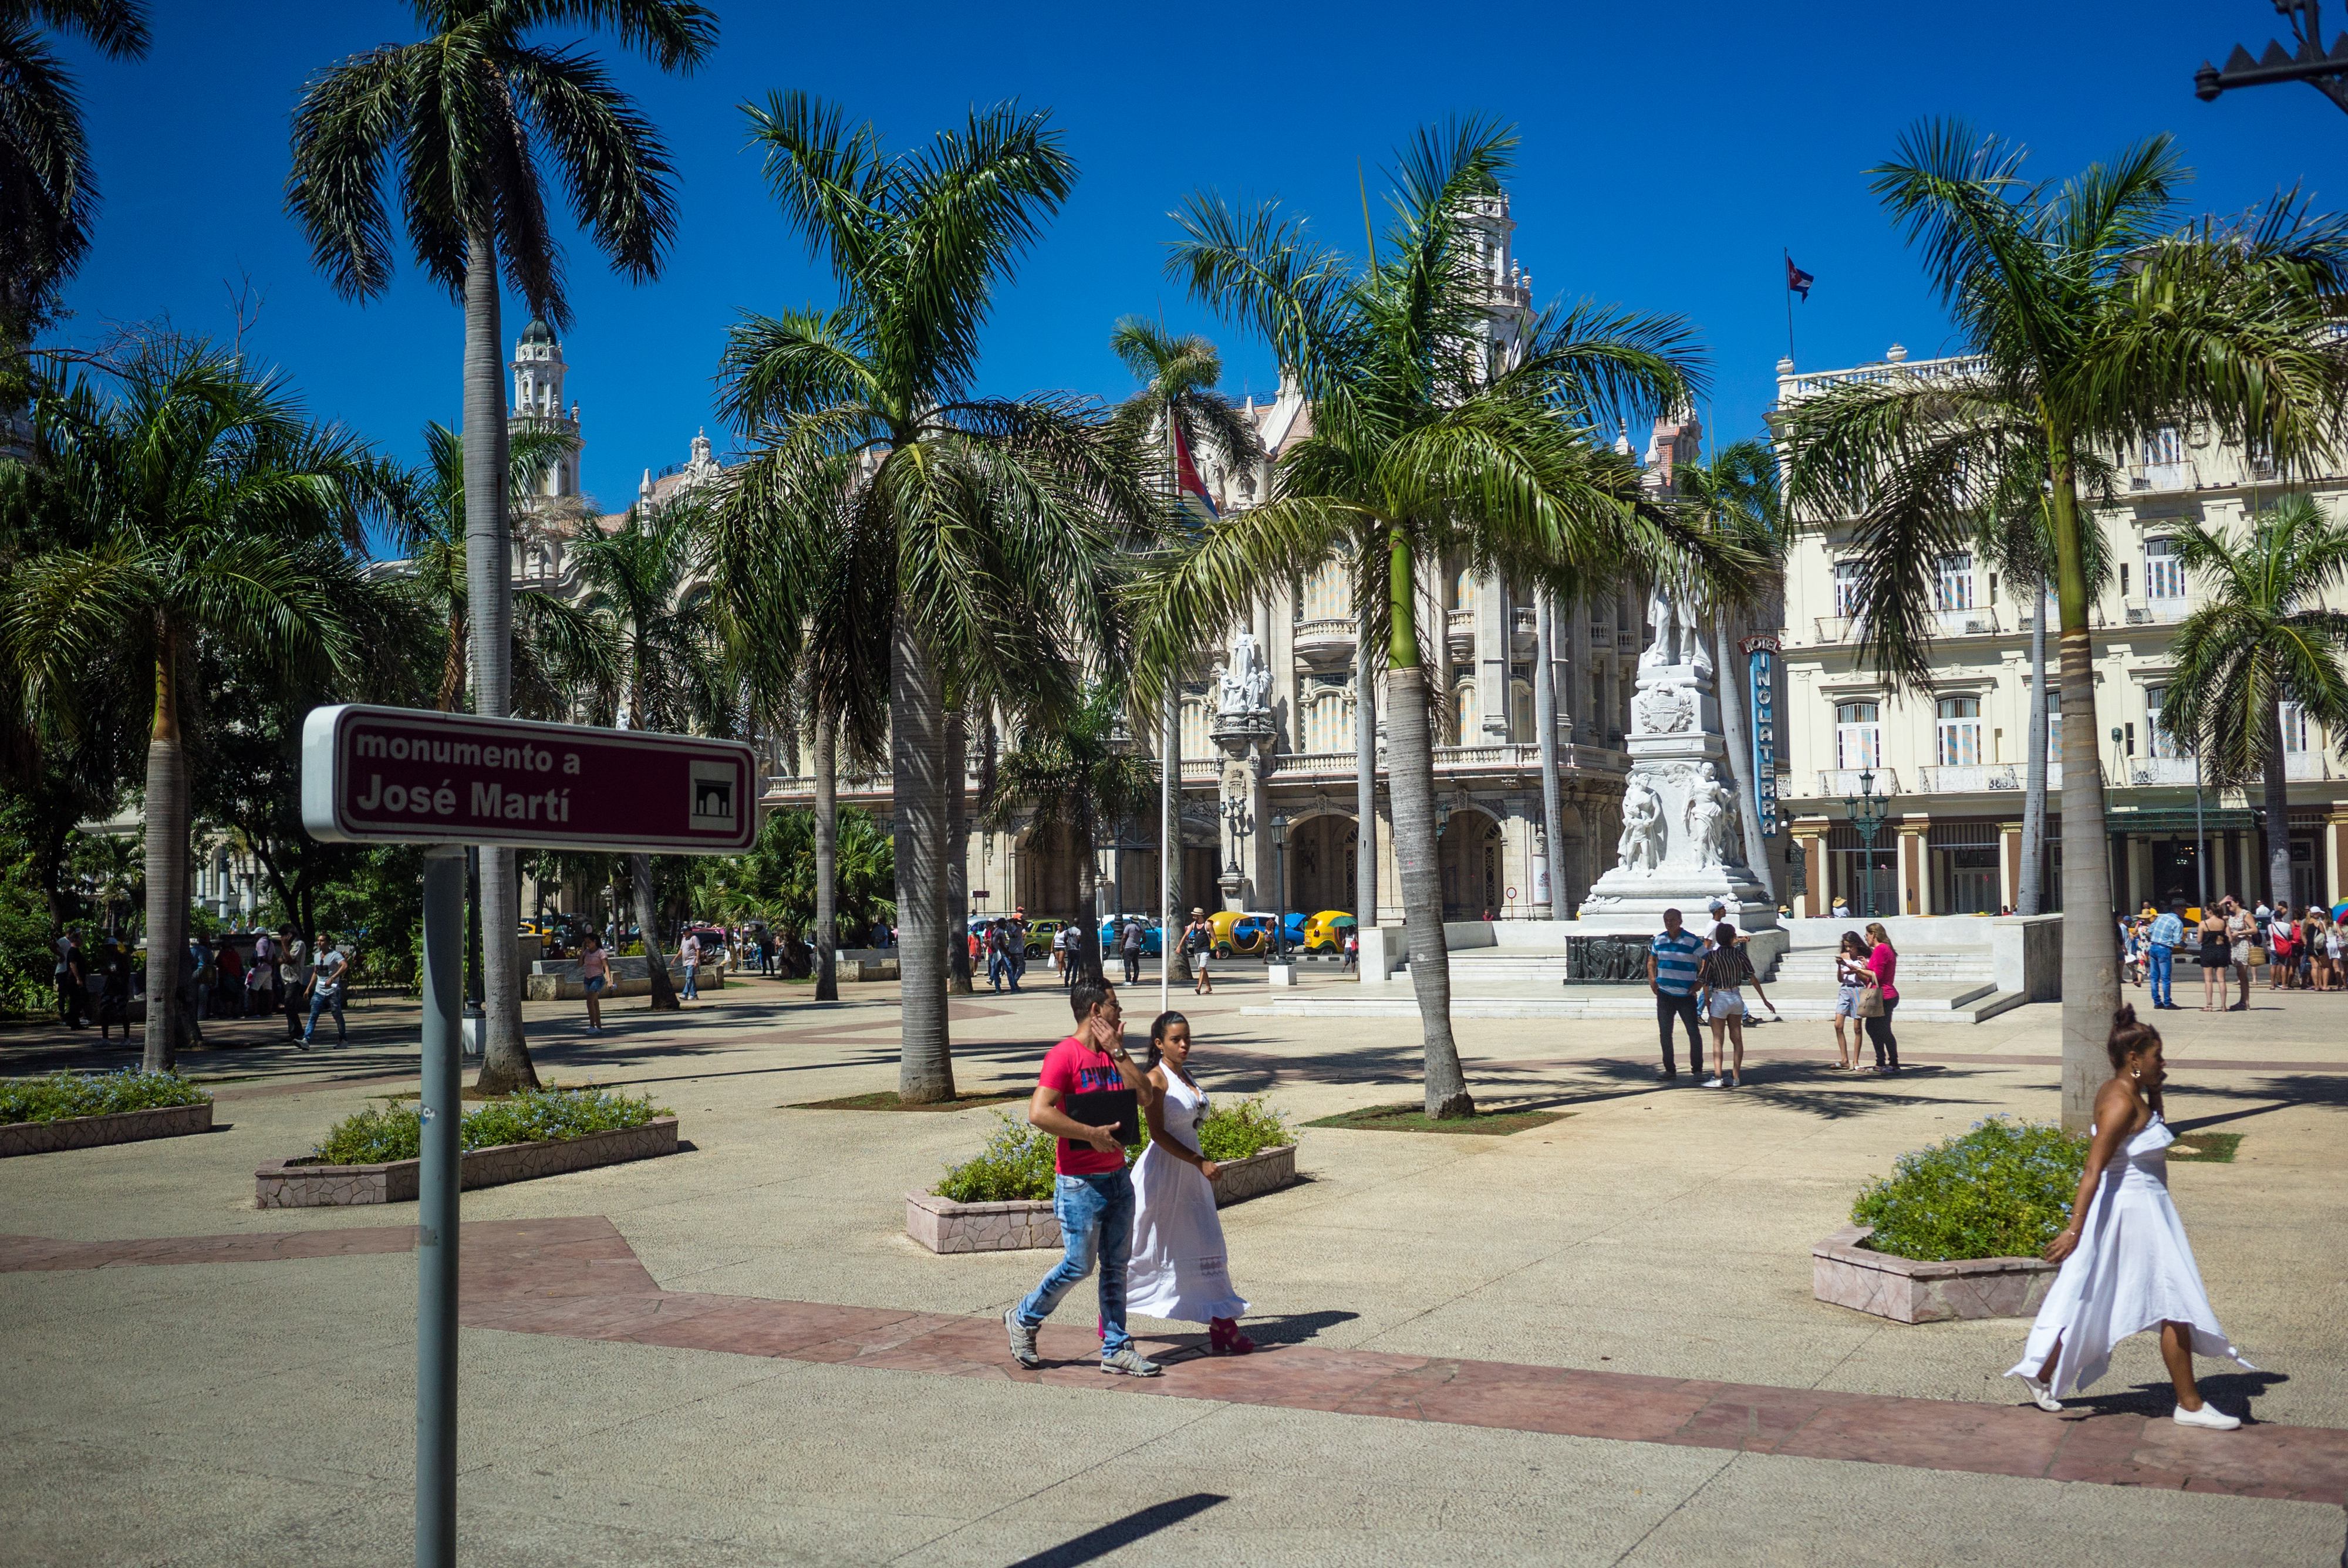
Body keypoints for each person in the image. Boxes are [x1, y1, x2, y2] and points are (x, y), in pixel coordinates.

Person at [2006, 1006, 2254, 1427]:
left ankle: (2042, 1372)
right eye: (2158, 1056)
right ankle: (2190, 1405)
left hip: (2147, 1211)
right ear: (2135, 1058)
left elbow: (2154, 1131)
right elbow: (2093, 1169)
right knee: (2172, 1299)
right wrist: (2074, 1230)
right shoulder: (2120, 1101)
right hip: (2133, 1214)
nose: (2164, 1062)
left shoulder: (2126, 1091)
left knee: (2097, 1295)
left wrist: (2155, 1092)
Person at [1004, 979, 1163, 1378]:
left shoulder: (1114, 1055)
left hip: (1118, 1178)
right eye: (1114, 1005)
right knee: (1078, 1266)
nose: (1120, 1012)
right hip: (1080, 1184)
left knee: (1116, 1268)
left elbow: (1146, 1097)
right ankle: (1023, 1318)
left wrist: (1119, 1052)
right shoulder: (1064, 1056)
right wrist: (1089, 1134)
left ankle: (1116, 1348)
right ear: (1096, 1011)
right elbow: (1039, 1112)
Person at [1127, 1011, 1253, 1356]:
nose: (1184, 1045)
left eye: (1187, 1038)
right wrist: (1198, 1161)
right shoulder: (1156, 1079)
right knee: (1148, 1246)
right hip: (1165, 1173)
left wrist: (1198, 1162)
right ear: (1159, 1043)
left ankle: (1221, 1321)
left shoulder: (1185, 1075)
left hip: (1191, 1175)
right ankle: (1112, 1314)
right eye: (1176, 1040)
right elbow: (1157, 1133)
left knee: (1205, 1241)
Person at [1698, 921, 1777, 1087]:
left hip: (1720, 996)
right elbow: (1752, 977)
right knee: (1737, 1038)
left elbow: (1705, 980)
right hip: (1735, 996)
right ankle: (1735, 1077)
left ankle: (1718, 1077)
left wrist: (1706, 1000)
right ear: (1733, 937)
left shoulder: (1712, 956)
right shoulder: (1740, 955)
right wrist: (1765, 1000)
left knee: (1718, 1039)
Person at [1647, 907, 1705, 1082]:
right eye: (1666, 920)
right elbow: (1652, 960)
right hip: (1665, 994)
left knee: (1693, 1032)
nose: (1669, 923)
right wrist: (1652, 979)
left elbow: (1708, 960)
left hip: (1686, 995)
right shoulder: (1659, 939)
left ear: (1680, 921)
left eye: (1672, 919)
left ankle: (1697, 1070)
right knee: (1665, 1033)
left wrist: (1700, 981)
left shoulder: (1692, 940)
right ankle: (1670, 1070)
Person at [1862, 922, 1901, 1073]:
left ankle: (1891, 1063)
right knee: (1876, 1028)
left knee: (1881, 1030)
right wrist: (1866, 967)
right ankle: (1883, 1062)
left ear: (1874, 934)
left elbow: (1877, 976)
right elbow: (1875, 973)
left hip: (1884, 995)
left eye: (1867, 935)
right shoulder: (1885, 949)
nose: (1866, 938)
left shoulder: (1880, 949)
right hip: (1885, 994)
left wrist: (1858, 970)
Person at [1830, 931, 1871, 1070]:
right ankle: (1844, 1060)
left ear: (1856, 944)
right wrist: (1840, 966)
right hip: (1845, 989)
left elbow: (1866, 979)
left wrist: (1856, 970)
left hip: (1859, 990)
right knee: (1838, 1025)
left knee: (1857, 1028)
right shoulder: (1844, 956)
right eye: (1846, 946)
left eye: (1851, 946)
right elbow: (1840, 979)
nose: (1848, 949)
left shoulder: (1863, 958)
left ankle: (1856, 1062)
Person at [301, 935, 349, 1049]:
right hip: (319, 991)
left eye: (322, 941)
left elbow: (345, 966)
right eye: (318, 940)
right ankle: (306, 1040)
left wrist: (332, 978)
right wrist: (308, 988)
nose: (319, 943)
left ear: (328, 942)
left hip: (333, 991)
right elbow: (316, 973)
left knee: (337, 1015)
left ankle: (343, 1040)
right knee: (313, 1015)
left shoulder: (335, 955)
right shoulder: (317, 956)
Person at [2146, 897, 2184, 1011]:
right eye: (2185, 910)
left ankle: (2157, 1002)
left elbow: (2149, 931)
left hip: (2153, 947)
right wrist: (2185, 946)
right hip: (2164, 949)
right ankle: (2167, 1003)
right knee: (2166, 978)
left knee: (2154, 977)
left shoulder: (2161, 917)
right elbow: (2177, 941)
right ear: (2178, 909)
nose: (2186, 912)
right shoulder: (2178, 923)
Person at [2196, 901, 2230, 1011]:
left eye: (2206, 911)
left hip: (2208, 951)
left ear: (2210, 911)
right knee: (2222, 980)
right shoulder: (2223, 923)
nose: (2205, 913)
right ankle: (2223, 1005)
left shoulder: (2203, 924)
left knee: (2208, 980)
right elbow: (2230, 938)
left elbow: (2199, 940)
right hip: (2221, 951)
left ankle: (2209, 1005)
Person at [2224, 897, 2256, 1011]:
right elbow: (2214, 913)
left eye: (2230, 903)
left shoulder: (2245, 914)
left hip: (2244, 945)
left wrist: (2240, 933)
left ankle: (2245, 1001)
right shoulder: (2231, 916)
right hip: (2235, 946)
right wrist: (2221, 903)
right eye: (2227, 904)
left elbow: (2254, 929)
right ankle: (2243, 1001)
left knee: (2243, 974)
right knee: (2240, 974)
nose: (2228, 906)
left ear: (2237, 903)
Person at [53, 928, 87, 1030]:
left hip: (74, 978)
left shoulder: (75, 950)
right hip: (72, 979)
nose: (82, 941)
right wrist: (78, 978)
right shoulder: (72, 950)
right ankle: (69, 1018)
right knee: (74, 999)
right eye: (80, 939)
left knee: (76, 1000)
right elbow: (73, 964)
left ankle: (74, 1021)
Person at [279, 930, 309, 1041]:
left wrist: (284, 945)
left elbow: (290, 960)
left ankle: (297, 1031)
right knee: (289, 1006)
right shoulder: (290, 947)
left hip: (294, 979)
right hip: (286, 980)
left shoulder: (299, 945)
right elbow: (282, 959)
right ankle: (294, 1031)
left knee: (289, 1003)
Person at [579, 931, 609, 1034]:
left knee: (590, 1001)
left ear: (594, 942)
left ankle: (592, 1026)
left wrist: (609, 980)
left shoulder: (601, 952)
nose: (588, 944)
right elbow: (580, 964)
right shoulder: (586, 952)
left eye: (589, 942)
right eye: (586, 943)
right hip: (587, 979)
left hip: (597, 979)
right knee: (595, 1003)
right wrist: (583, 950)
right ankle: (599, 1027)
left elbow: (606, 966)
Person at [214, 935, 244, 1019]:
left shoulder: (223, 954)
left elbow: (217, 962)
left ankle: (228, 1013)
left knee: (227, 996)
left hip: (226, 976)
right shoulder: (235, 954)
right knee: (235, 995)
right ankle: (236, 1012)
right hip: (236, 976)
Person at [1185, 910, 1214, 996]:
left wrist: (1218, 950)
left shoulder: (1207, 925)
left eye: (1195, 915)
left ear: (1200, 916)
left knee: (1202, 968)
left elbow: (1214, 937)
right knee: (1203, 969)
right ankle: (1209, 987)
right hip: (1197, 950)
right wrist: (1180, 945)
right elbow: (1186, 934)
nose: (1193, 917)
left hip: (1206, 949)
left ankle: (1199, 987)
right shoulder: (1193, 924)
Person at [679, 927, 701, 1001]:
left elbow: (698, 950)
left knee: (689, 977)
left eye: (685, 932)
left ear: (689, 932)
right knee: (691, 978)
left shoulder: (694, 938)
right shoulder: (684, 939)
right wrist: (675, 959)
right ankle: (693, 994)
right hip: (686, 962)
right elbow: (681, 950)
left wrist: (697, 961)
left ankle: (685, 994)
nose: (684, 933)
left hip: (692, 961)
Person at [1121, 918, 1145, 986]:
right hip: (1137, 948)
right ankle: (1135, 980)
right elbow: (1145, 939)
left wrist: (1121, 947)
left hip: (1129, 947)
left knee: (1127, 965)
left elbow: (1124, 937)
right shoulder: (1141, 929)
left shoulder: (1129, 927)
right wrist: (1139, 943)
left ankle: (1128, 980)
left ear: (1131, 920)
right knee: (1136, 965)